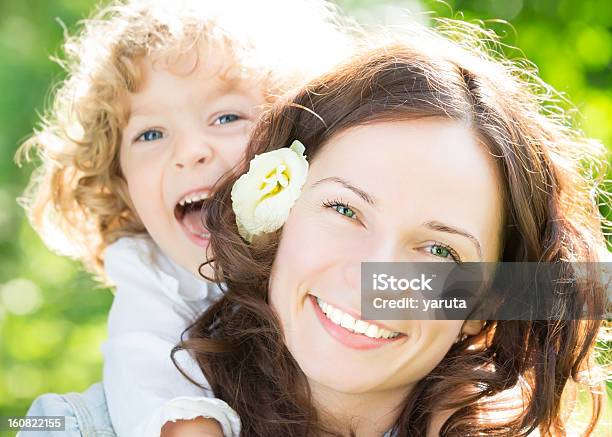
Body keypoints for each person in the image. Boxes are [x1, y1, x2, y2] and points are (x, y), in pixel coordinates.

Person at [175, 20, 610, 436]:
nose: (373, 276)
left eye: (440, 251)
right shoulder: (133, 412)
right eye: (345, 210)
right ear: (278, 214)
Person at [17, 0, 354, 435]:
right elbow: (144, 361)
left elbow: (422, 283)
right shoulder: (151, 272)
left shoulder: (337, 230)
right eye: (150, 133)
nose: (190, 150)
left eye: (227, 117)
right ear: (121, 183)